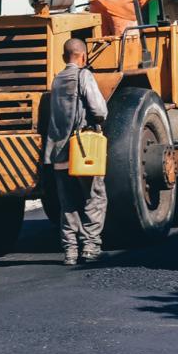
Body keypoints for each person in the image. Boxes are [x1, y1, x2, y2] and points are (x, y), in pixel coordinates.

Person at [43, 38, 110, 266]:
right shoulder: (84, 76)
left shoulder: (57, 80)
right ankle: (90, 246)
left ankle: (70, 251)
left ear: (64, 57)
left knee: (68, 203)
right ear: (83, 56)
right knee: (94, 197)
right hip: (82, 149)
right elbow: (99, 110)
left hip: (58, 151)